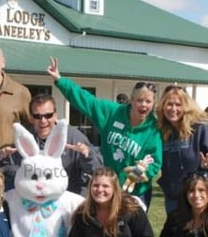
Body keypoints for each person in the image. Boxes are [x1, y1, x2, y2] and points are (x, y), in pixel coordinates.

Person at [47, 57, 163, 210]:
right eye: (140, 100)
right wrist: (61, 81)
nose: (144, 105)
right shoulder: (112, 113)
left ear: (153, 103)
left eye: (148, 101)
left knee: (131, 232)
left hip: (136, 191)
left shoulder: (154, 129)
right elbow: (86, 101)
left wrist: (144, 172)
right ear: (132, 100)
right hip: (107, 186)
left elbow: (154, 160)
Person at [0, 93, 102, 194]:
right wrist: (8, 162)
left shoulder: (73, 137)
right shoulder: (27, 138)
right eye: (37, 116)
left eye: (48, 115)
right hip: (36, 203)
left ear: (55, 115)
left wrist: (87, 155)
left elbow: (97, 170)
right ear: (31, 118)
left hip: (67, 203)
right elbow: (7, 169)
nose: (43, 120)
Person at [155, 86, 208, 214]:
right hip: (174, 197)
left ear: (186, 107)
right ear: (162, 106)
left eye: (178, 104)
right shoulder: (162, 130)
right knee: (176, 233)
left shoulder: (201, 127)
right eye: (169, 104)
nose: (173, 109)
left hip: (199, 196)